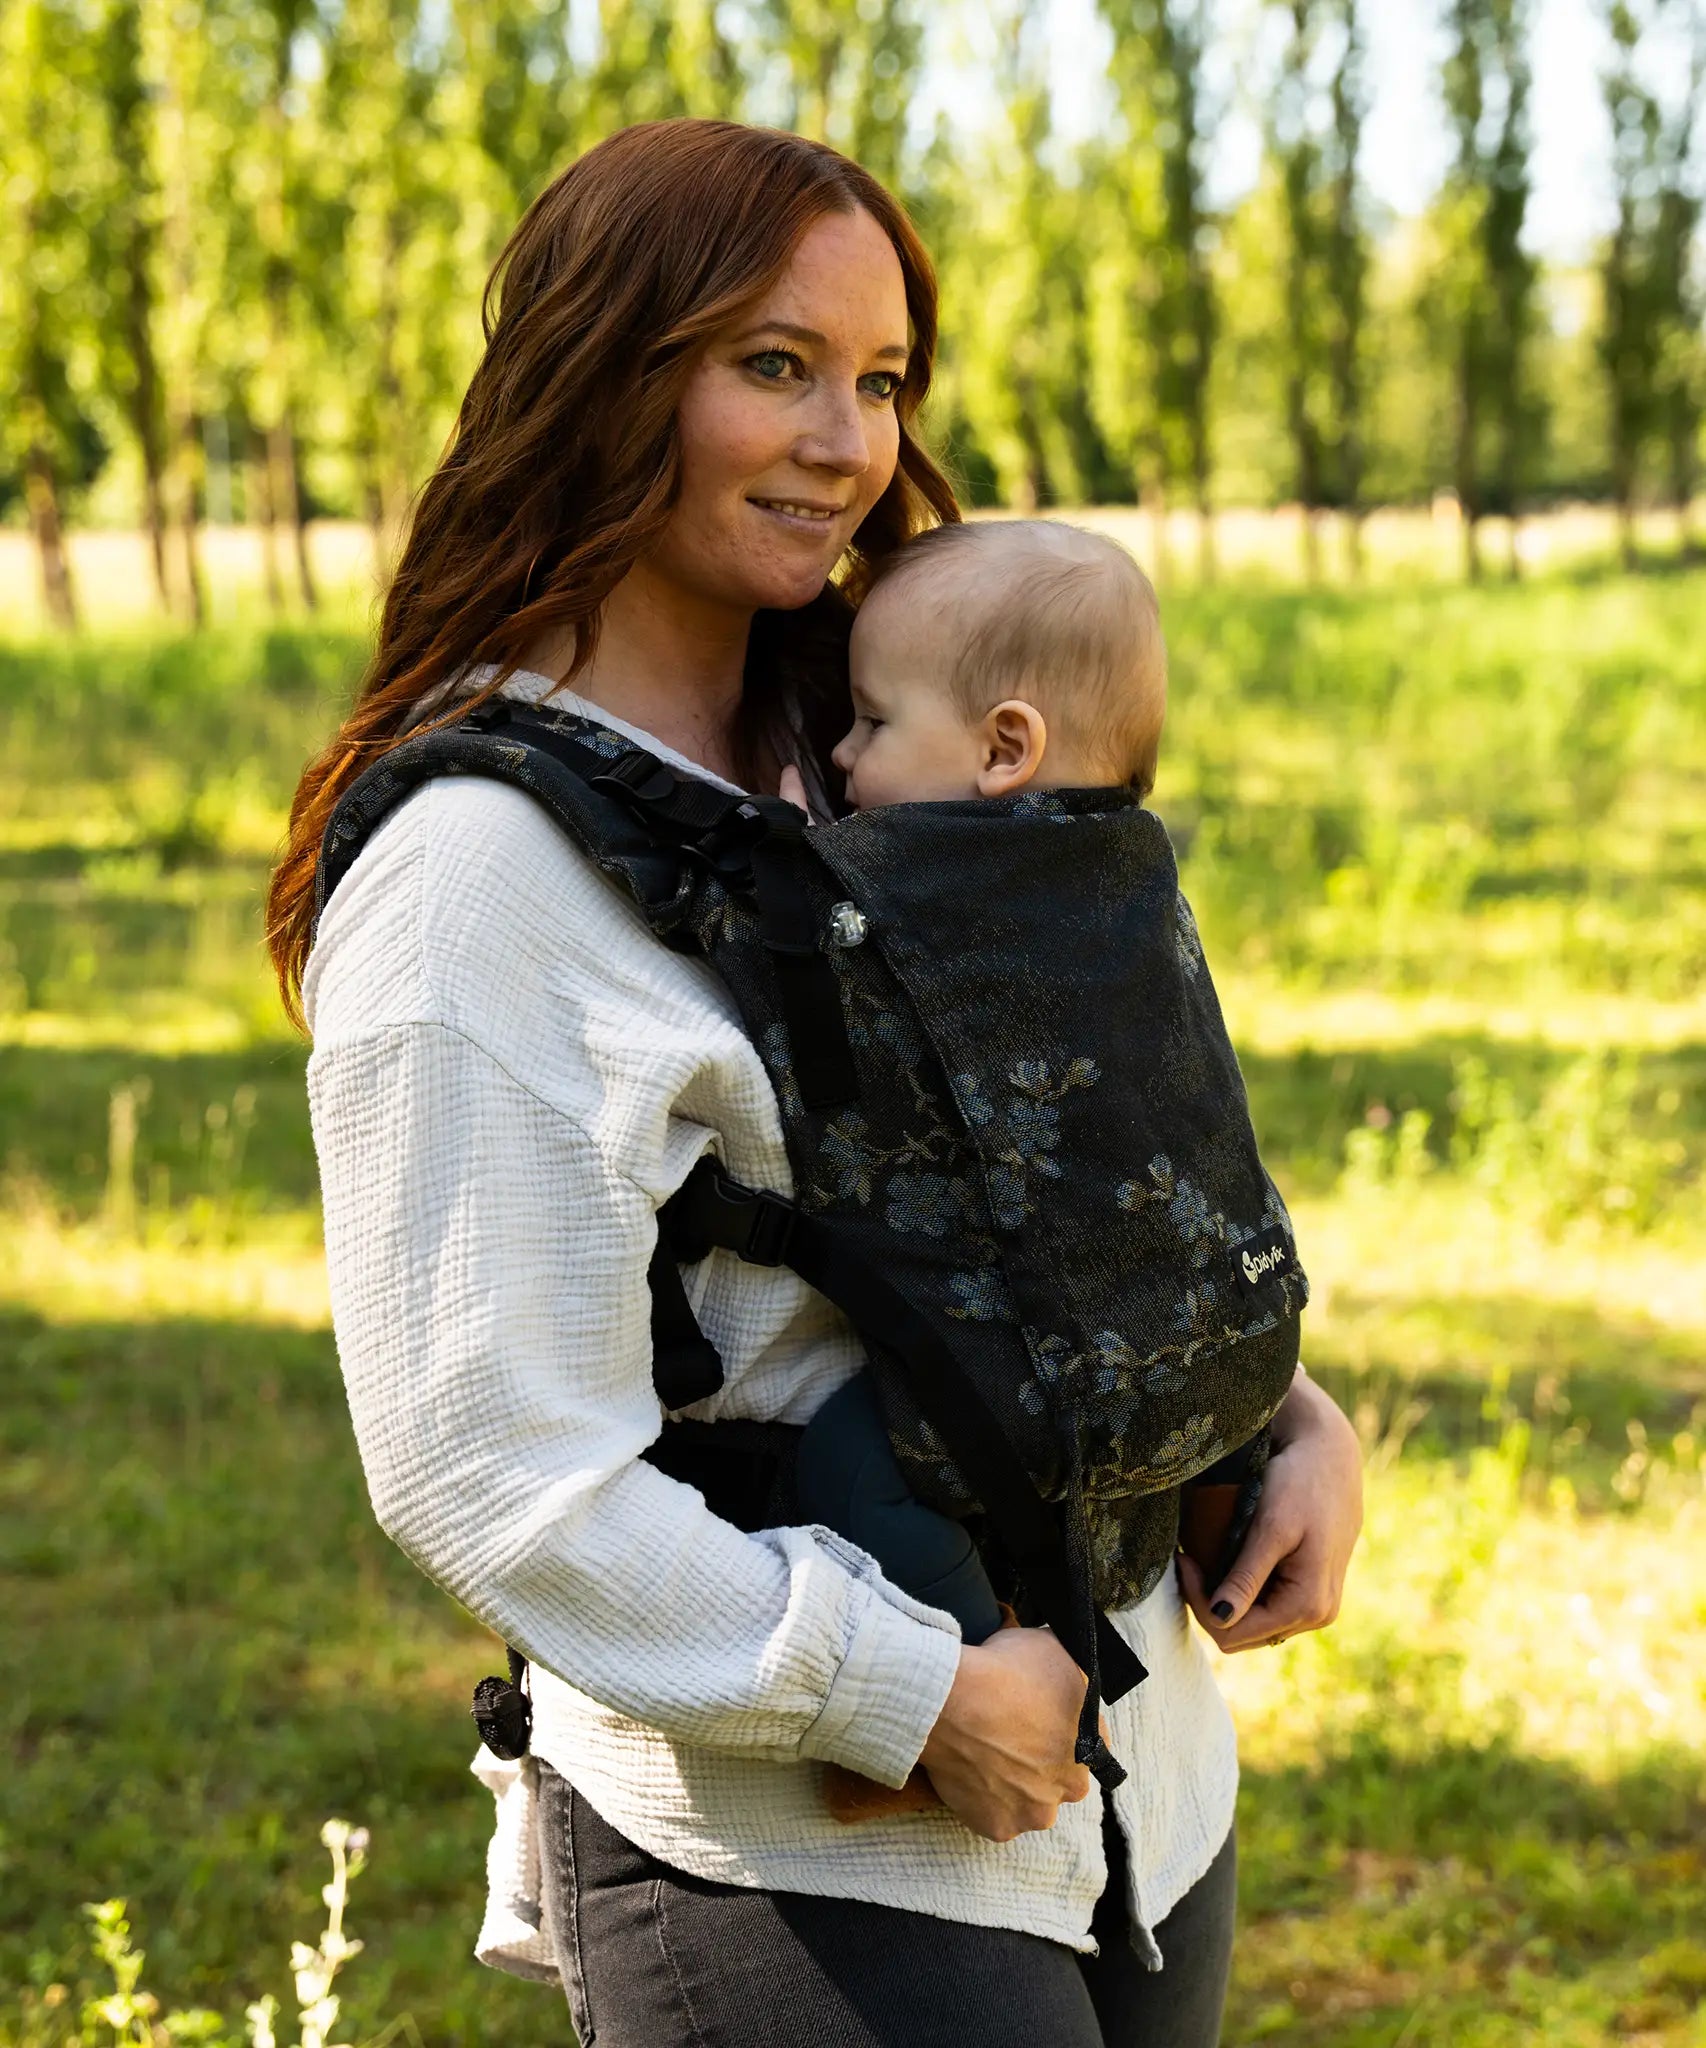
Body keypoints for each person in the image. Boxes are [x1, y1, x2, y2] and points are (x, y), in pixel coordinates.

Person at [270, 119, 1363, 2048]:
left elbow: (1058, 1166)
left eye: (879, 380)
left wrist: (1271, 1415)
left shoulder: (894, 746)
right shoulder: (475, 883)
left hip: (1144, 1793)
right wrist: (906, 1698)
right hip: (812, 1869)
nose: (848, 443)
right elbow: (488, 1470)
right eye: (772, 366)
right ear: (606, 370)